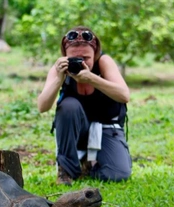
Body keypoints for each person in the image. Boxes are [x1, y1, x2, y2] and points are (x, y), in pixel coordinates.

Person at [37, 26, 132, 185]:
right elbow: (42, 106)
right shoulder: (60, 68)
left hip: (107, 127)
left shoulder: (104, 62)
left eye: (85, 58)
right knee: (68, 106)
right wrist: (59, 79)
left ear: (95, 54)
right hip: (77, 129)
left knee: (117, 175)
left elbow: (124, 95)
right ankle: (67, 171)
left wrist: (91, 78)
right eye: (74, 58)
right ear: (65, 56)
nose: (80, 62)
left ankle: (89, 165)